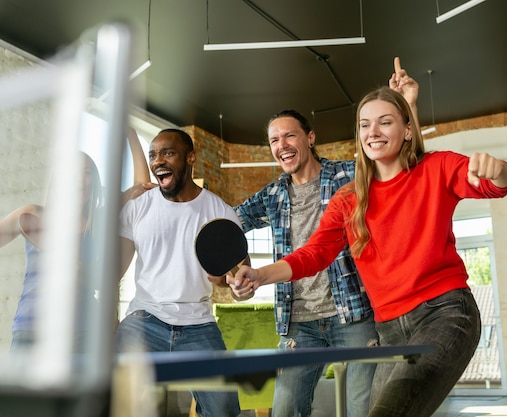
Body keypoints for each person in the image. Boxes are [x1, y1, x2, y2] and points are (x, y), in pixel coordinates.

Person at [229, 79, 507, 415]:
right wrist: (260, 275)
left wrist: (499, 170)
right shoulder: (349, 198)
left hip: (444, 313)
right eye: (365, 125)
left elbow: (498, 185)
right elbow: (314, 254)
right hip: (389, 328)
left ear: (407, 129)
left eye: (385, 122)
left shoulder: (435, 168)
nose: (373, 132)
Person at [230, 57, 419, 417]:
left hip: (352, 314)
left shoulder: (349, 175)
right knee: (285, 410)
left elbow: (404, 165)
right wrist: (235, 267)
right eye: (273, 139)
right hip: (298, 322)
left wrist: (405, 105)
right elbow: (227, 224)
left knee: (362, 409)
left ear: (310, 138)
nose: (281, 144)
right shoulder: (271, 196)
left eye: (289, 135)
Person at [116, 128, 241, 417]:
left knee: (224, 409)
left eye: (168, 153)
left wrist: (237, 285)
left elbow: (238, 279)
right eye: (153, 155)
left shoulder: (219, 210)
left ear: (191, 157)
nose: (158, 160)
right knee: (117, 399)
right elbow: (113, 273)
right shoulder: (137, 207)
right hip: (144, 319)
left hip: (199, 323)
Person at [1, 129, 149, 350]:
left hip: (81, 332)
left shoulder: (98, 223)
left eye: (87, 172)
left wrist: (132, 135)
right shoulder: (34, 215)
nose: (80, 178)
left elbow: (143, 191)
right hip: (31, 330)